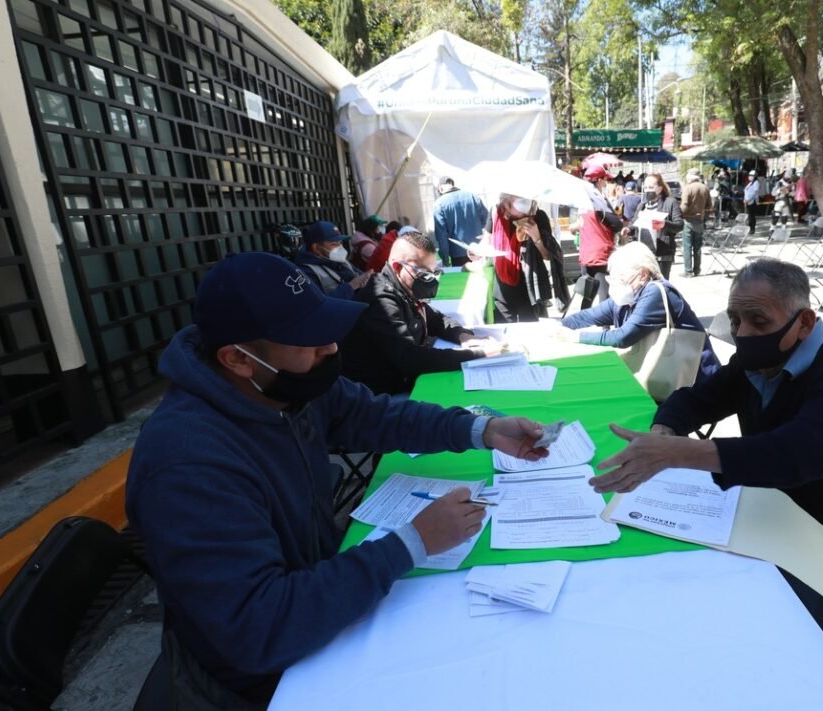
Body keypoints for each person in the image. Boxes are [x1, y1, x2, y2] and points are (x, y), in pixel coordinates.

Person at [126, 251, 548, 707]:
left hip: (317, 597)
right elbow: (259, 629)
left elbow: (374, 415)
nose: (330, 350)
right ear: (238, 359)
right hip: (260, 680)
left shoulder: (282, 385)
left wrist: (479, 429)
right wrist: (413, 542)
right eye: (309, 341)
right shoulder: (189, 466)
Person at [588, 257, 823, 667]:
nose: (743, 333)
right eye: (735, 320)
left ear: (804, 323)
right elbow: (697, 398)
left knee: (797, 669)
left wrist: (677, 454)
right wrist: (664, 432)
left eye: (758, 321)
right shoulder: (759, 362)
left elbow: (797, 455)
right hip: (765, 518)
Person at [340, 229, 503, 395]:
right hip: (379, 396)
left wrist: (463, 336)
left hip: (398, 382)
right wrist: (477, 354)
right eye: (424, 272)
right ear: (397, 267)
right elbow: (411, 359)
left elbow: (436, 319)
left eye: (434, 272)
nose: (431, 278)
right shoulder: (381, 301)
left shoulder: (403, 288)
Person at [560, 242, 720, 383]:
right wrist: (559, 328)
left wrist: (577, 337)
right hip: (665, 376)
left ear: (643, 274)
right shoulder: (625, 297)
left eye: (621, 278)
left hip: (695, 380)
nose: (615, 284)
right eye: (612, 278)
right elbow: (589, 315)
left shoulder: (655, 292)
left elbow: (623, 337)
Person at [480, 194, 569, 322]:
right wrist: (475, 252)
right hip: (502, 288)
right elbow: (486, 240)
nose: (525, 211)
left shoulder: (539, 217)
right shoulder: (496, 213)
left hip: (530, 290)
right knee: (503, 333)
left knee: (531, 336)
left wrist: (536, 237)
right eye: (518, 201)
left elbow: (549, 256)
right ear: (507, 203)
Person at [624, 173, 684, 279]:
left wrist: (664, 224)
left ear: (659, 189)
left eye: (651, 187)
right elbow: (634, 223)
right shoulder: (642, 205)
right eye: (645, 187)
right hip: (643, 254)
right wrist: (628, 229)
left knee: (660, 286)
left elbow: (679, 225)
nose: (647, 190)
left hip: (662, 253)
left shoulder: (670, 202)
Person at [577, 165, 623, 303]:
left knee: (587, 294)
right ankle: (606, 324)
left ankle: (583, 321)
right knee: (604, 294)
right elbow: (617, 224)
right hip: (600, 252)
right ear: (598, 180)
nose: (606, 183)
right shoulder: (598, 201)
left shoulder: (582, 200)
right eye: (605, 179)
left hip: (586, 252)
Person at [296, 221, 372, 299]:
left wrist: (368, 278)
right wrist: (351, 286)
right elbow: (318, 304)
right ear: (316, 248)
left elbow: (361, 276)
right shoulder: (307, 271)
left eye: (340, 243)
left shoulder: (340, 261)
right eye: (334, 244)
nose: (340, 247)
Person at [432, 176, 489, 267]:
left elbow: (442, 236)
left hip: (458, 255)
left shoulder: (439, 204)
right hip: (479, 251)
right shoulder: (472, 196)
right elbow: (487, 222)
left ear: (441, 187)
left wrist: (445, 260)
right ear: (452, 184)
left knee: (464, 280)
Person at [680, 168, 712, 276]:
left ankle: (688, 271)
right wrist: (704, 217)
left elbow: (684, 205)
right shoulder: (705, 188)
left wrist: (679, 215)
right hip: (700, 220)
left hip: (688, 220)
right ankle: (697, 270)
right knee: (698, 247)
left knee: (687, 246)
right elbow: (709, 206)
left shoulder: (687, 188)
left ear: (690, 177)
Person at [743, 170, 761, 234]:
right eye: (749, 175)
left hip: (752, 201)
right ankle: (749, 228)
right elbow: (747, 192)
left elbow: (755, 193)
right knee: (749, 216)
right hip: (747, 201)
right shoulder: (750, 183)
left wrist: (748, 200)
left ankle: (752, 229)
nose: (749, 177)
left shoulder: (756, 183)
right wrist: (745, 200)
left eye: (751, 176)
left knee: (751, 216)